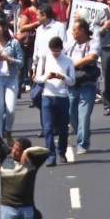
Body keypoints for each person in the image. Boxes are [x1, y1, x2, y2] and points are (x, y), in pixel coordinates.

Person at [32, 36, 73, 166]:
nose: (55, 53)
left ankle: (62, 152)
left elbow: (72, 81)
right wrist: (47, 77)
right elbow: (37, 78)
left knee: (63, 129)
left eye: (57, 51)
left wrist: (62, 77)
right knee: (48, 128)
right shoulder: (45, 58)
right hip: (47, 96)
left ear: (61, 49)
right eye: (53, 51)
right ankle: (51, 155)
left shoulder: (68, 61)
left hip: (62, 97)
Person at [65, 18, 99, 154]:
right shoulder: (70, 45)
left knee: (83, 116)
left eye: (75, 30)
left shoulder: (92, 43)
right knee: (71, 114)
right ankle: (83, 133)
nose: (73, 32)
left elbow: (92, 57)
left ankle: (82, 143)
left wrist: (74, 65)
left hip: (87, 83)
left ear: (83, 31)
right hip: (72, 84)